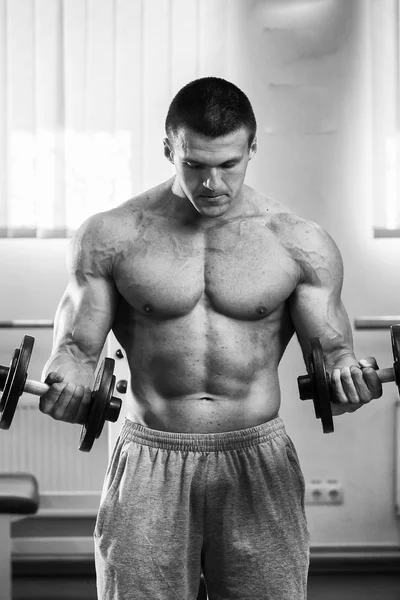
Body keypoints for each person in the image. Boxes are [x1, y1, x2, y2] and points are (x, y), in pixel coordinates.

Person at [40, 77, 382, 600]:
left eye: (229, 165)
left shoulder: (298, 242)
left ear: (251, 149)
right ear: (168, 149)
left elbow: (334, 357)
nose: (212, 184)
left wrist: (350, 381)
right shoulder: (112, 236)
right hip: (149, 455)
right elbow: (77, 353)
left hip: (256, 455)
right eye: (195, 165)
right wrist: (64, 383)